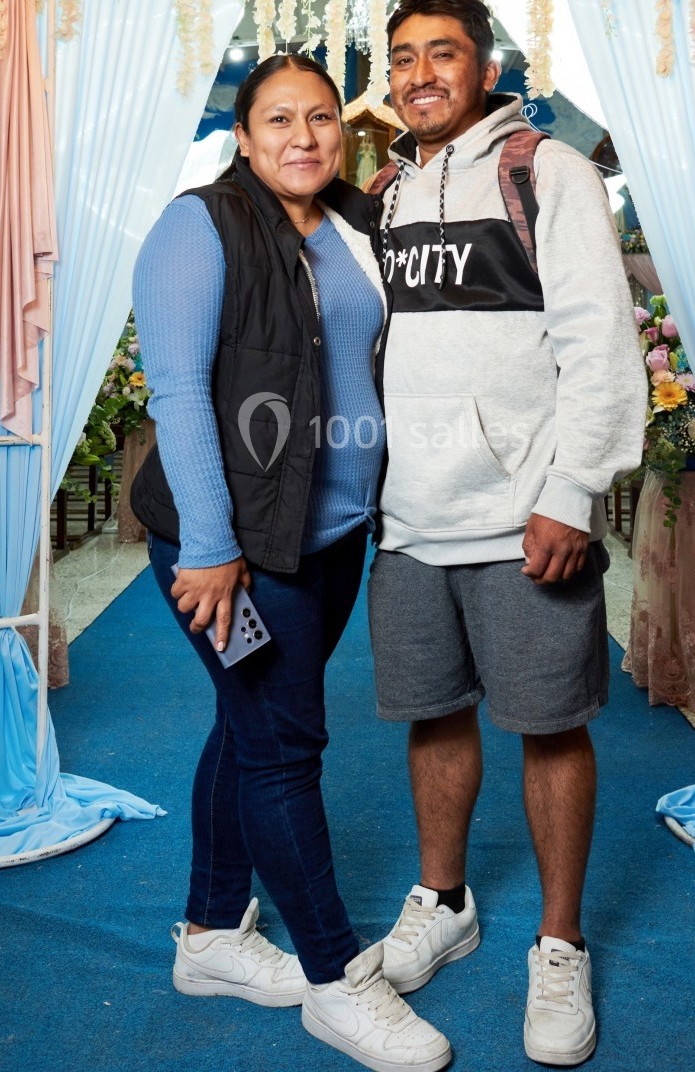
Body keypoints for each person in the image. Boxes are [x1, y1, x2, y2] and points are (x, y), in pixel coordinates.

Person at [130, 53, 451, 1072]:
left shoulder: (356, 222)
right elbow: (177, 393)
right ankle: (333, 976)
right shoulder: (200, 224)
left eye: (321, 117)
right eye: (279, 119)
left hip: (332, 533)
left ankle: (214, 935)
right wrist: (215, 546)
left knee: (250, 721)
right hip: (233, 545)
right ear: (243, 134)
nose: (304, 136)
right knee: (282, 743)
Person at [365, 0, 647, 1066]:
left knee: (548, 723)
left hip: (524, 513)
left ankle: (560, 942)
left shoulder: (549, 171)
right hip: (407, 516)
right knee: (431, 715)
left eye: (443, 53)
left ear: (485, 67)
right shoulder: (386, 191)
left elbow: (598, 344)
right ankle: (445, 900)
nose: (420, 72)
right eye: (403, 57)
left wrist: (569, 491)